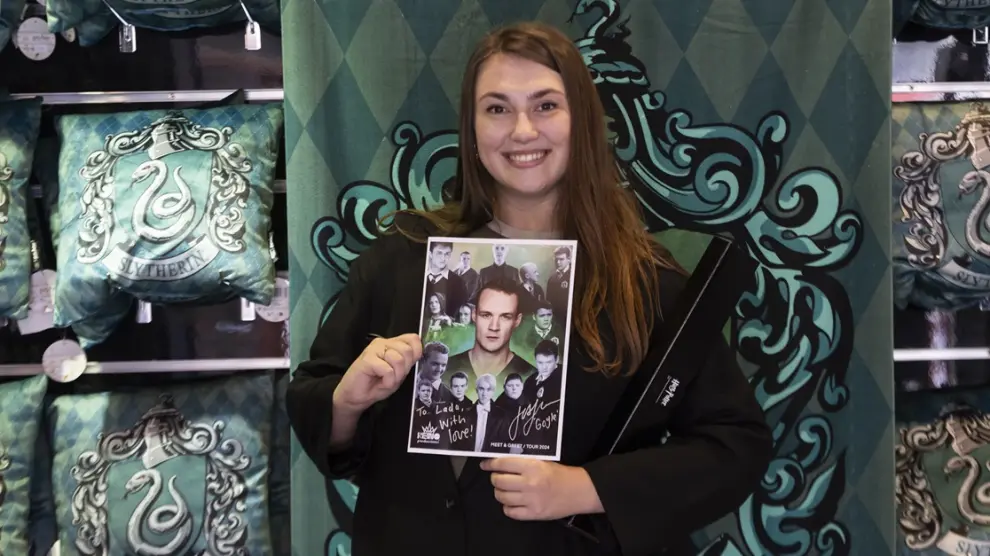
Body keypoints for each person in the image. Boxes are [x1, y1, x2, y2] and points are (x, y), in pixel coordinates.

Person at [287, 20, 772, 556]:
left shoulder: (645, 281)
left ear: (581, 120)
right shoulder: (403, 256)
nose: (522, 131)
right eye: (497, 108)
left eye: (545, 106)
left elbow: (735, 446)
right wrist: (346, 402)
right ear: (471, 128)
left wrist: (583, 488)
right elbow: (313, 396)